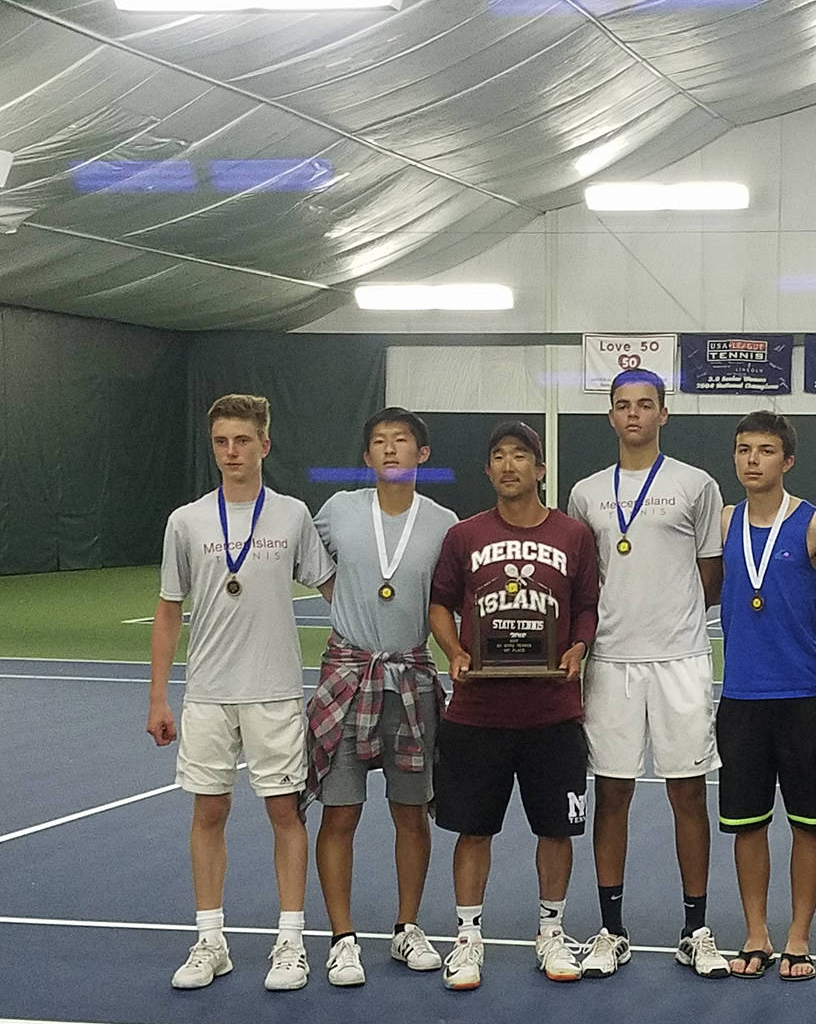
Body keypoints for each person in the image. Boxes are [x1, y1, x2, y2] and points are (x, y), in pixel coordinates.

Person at [149, 394, 336, 993]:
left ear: (265, 445)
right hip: (206, 693)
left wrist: (381, 639)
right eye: (222, 442)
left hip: (275, 693)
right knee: (209, 811)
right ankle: (210, 939)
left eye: (242, 441)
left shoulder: (292, 515)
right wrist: (159, 698)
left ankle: (290, 941)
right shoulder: (187, 521)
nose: (232, 452)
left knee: (285, 812)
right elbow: (168, 612)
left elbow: (333, 588)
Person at [564, 369, 728, 979]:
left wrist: (672, 620)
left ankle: (696, 928)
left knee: (689, 792)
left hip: (681, 660)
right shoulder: (585, 493)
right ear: (610, 416)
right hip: (610, 662)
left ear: (664, 414)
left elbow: (709, 575)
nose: (634, 415)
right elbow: (584, 579)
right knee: (614, 792)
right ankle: (611, 930)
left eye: (645, 405)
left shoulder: (697, 485)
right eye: (623, 406)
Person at [426, 422, 598, 990]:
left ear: (540, 469)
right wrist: (453, 651)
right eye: (497, 457)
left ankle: (551, 931)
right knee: (473, 830)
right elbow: (440, 605)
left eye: (520, 457)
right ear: (488, 471)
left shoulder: (573, 534)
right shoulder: (464, 535)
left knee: (557, 830)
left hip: (552, 712)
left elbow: (587, 609)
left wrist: (577, 647)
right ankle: (468, 939)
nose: (508, 466)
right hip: (478, 713)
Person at [305, 407, 459, 987]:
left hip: (413, 680)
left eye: (401, 441)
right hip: (347, 677)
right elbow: (307, 561)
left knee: (411, 814)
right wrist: (340, 597)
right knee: (340, 811)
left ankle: (407, 927)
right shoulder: (337, 511)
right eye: (378, 442)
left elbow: (451, 597)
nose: (390, 450)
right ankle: (342, 939)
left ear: (422, 455)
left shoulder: (445, 523)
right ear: (367, 457)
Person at [714, 411, 816, 981]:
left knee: (808, 824)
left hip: (804, 695)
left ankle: (799, 935)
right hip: (741, 697)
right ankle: (756, 931)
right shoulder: (722, 522)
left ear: (786, 461)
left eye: (765, 450)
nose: (752, 460)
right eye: (743, 450)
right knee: (749, 824)